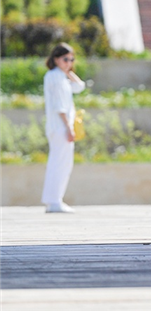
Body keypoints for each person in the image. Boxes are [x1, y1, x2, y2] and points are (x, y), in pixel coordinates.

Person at [41, 43, 86, 213]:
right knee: (59, 163)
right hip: (60, 127)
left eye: (71, 59)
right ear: (56, 59)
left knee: (63, 163)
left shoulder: (60, 76)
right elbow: (59, 106)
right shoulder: (55, 76)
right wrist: (69, 128)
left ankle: (54, 200)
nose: (69, 62)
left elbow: (79, 87)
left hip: (61, 127)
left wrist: (68, 71)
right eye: (65, 59)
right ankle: (54, 201)